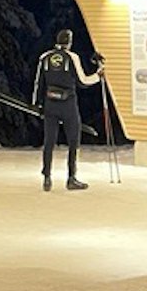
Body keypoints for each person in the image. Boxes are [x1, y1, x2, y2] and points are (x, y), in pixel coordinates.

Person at [32, 29, 103, 191]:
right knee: (73, 140)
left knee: (49, 141)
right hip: (68, 104)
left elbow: (39, 82)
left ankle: (47, 177)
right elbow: (82, 81)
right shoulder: (72, 57)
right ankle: (71, 177)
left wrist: (37, 104)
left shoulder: (45, 57)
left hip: (50, 103)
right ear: (69, 42)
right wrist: (98, 76)